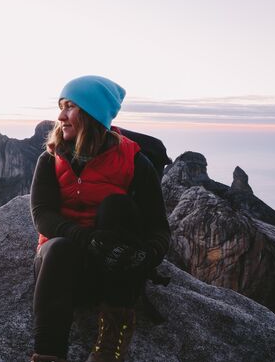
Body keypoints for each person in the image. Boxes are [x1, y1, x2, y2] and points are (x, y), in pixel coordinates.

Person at [29, 75, 170, 362]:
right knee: (58, 247)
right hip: (60, 271)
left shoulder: (134, 162)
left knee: (117, 206)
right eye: (61, 107)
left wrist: (149, 255)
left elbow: (158, 228)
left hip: (112, 271)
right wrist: (86, 238)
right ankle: (48, 355)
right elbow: (42, 216)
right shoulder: (50, 158)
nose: (60, 116)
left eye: (70, 107)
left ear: (92, 113)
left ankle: (109, 347)